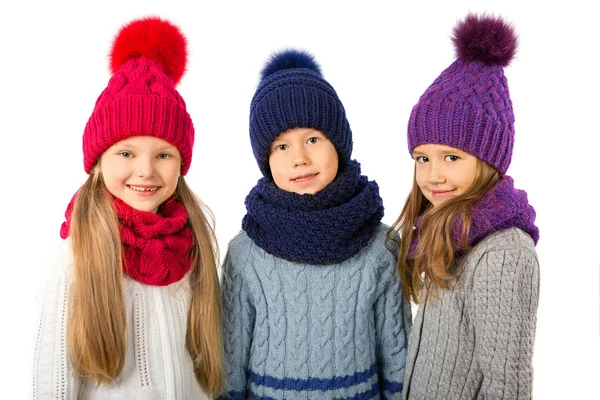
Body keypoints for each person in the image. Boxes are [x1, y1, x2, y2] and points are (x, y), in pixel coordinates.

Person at [31, 17, 224, 399]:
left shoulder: (192, 246)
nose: (146, 170)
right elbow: (52, 381)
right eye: (126, 152)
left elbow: (206, 368)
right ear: (98, 162)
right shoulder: (77, 255)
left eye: (164, 154)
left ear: (181, 164)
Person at [220, 49, 410, 399]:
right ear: (265, 160)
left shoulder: (381, 247)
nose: (299, 159)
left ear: (338, 144)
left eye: (312, 139)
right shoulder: (244, 253)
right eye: (281, 146)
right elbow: (230, 360)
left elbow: (397, 355)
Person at [390, 14, 541, 400]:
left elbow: (507, 385)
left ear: (489, 160)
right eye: (422, 158)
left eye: (452, 158)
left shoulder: (502, 254)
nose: (433, 175)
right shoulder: (447, 233)